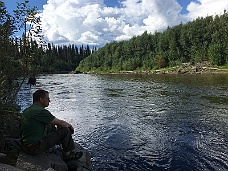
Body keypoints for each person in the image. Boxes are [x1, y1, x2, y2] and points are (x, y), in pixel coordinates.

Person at [20, 89, 83, 161]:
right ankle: (68, 155)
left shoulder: (28, 109)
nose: (49, 101)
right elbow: (61, 123)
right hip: (35, 148)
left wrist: (59, 124)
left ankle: (60, 144)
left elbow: (55, 122)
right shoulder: (41, 111)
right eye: (47, 99)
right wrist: (70, 126)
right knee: (65, 130)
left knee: (51, 123)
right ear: (41, 99)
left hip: (25, 146)